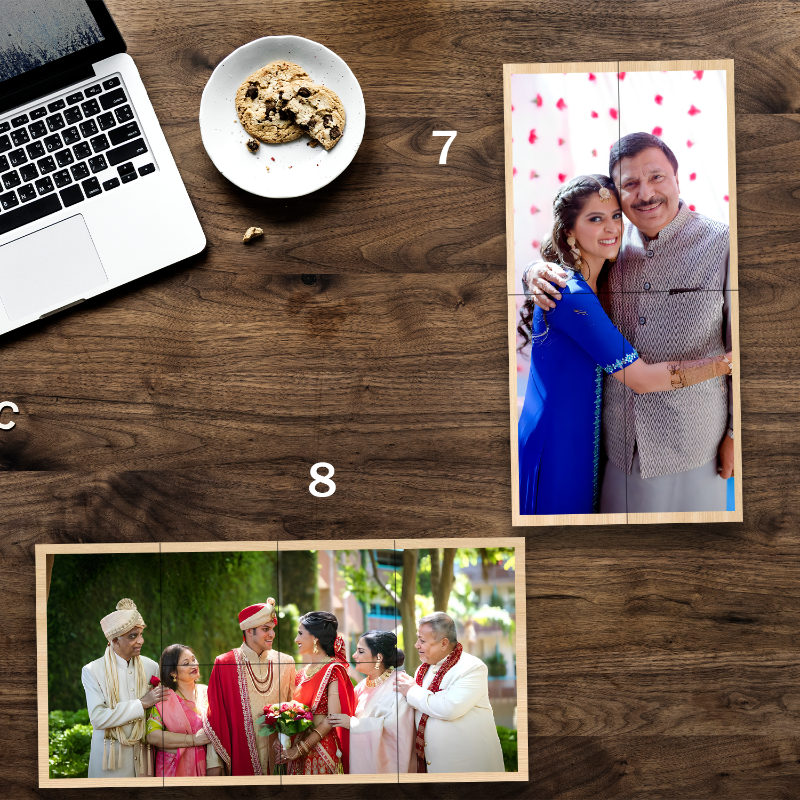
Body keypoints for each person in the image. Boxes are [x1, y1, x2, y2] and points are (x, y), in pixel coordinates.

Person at [524, 133, 734, 513]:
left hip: (693, 442)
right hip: (608, 446)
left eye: (656, 177)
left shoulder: (725, 244)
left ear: (676, 176)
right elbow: (570, 269)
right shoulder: (612, 248)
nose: (646, 193)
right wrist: (533, 270)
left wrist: (736, 433)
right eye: (630, 184)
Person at [394, 612, 505, 774]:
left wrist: (411, 691)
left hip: (469, 767)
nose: (416, 645)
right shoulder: (422, 669)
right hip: (434, 769)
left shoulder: (472, 667)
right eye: (418, 639)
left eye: (422, 641)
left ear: (444, 643)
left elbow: (449, 708)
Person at [203, 598, 295, 776]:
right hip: (239, 762)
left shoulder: (285, 662)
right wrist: (214, 765)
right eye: (265, 629)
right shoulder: (224, 664)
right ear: (248, 630)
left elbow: (293, 708)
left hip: (279, 761)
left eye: (272, 629)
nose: (272, 634)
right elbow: (215, 718)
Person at [81, 598, 166, 778]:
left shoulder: (151, 667)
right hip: (110, 766)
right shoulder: (92, 671)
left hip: (144, 762)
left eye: (141, 634)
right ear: (114, 640)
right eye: (133, 636)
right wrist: (141, 704)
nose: (141, 641)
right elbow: (98, 718)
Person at [275, 611, 357, 774]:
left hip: (321, 751)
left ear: (314, 638)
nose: (296, 639)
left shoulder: (334, 669)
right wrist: (281, 739)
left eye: (300, 633)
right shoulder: (301, 674)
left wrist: (300, 748)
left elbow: (332, 718)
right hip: (297, 753)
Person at [325, 630, 416, 773]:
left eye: (360, 651)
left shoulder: (400, 684)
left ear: (378, 657)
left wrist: (352, 724)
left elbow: (397, 731)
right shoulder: (361, 687)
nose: (354, 656)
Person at [146, 644, 218, 777]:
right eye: (186, 663)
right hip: (173, 769)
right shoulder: (164, 699)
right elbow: (153, 736)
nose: (194, 665)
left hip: (209, 767)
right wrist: (192, 740)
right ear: (173, 672)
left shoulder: (208, 692)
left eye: (193, 659)